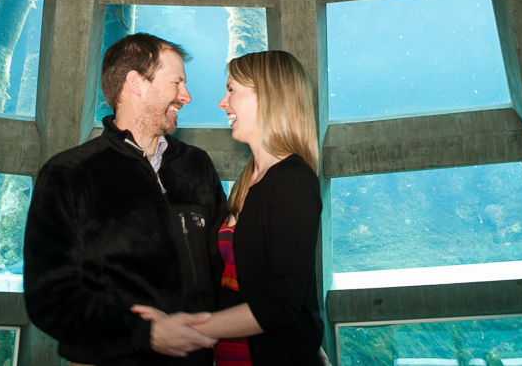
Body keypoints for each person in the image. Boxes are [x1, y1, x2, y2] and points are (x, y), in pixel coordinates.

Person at [23, 33, 227, 366]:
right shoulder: (68, 174)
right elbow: (49, 299)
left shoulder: (197, 165)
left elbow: (226, 266)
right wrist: (144, 334)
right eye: (176, 83)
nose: (186, 96)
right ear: (136, 83)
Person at [133, 50, 324, 366]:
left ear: (268, 96)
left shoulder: (293, 180)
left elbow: (281, 304)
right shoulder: (249, 180)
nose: (223, 102)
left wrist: (184, 329)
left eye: (232, 90)